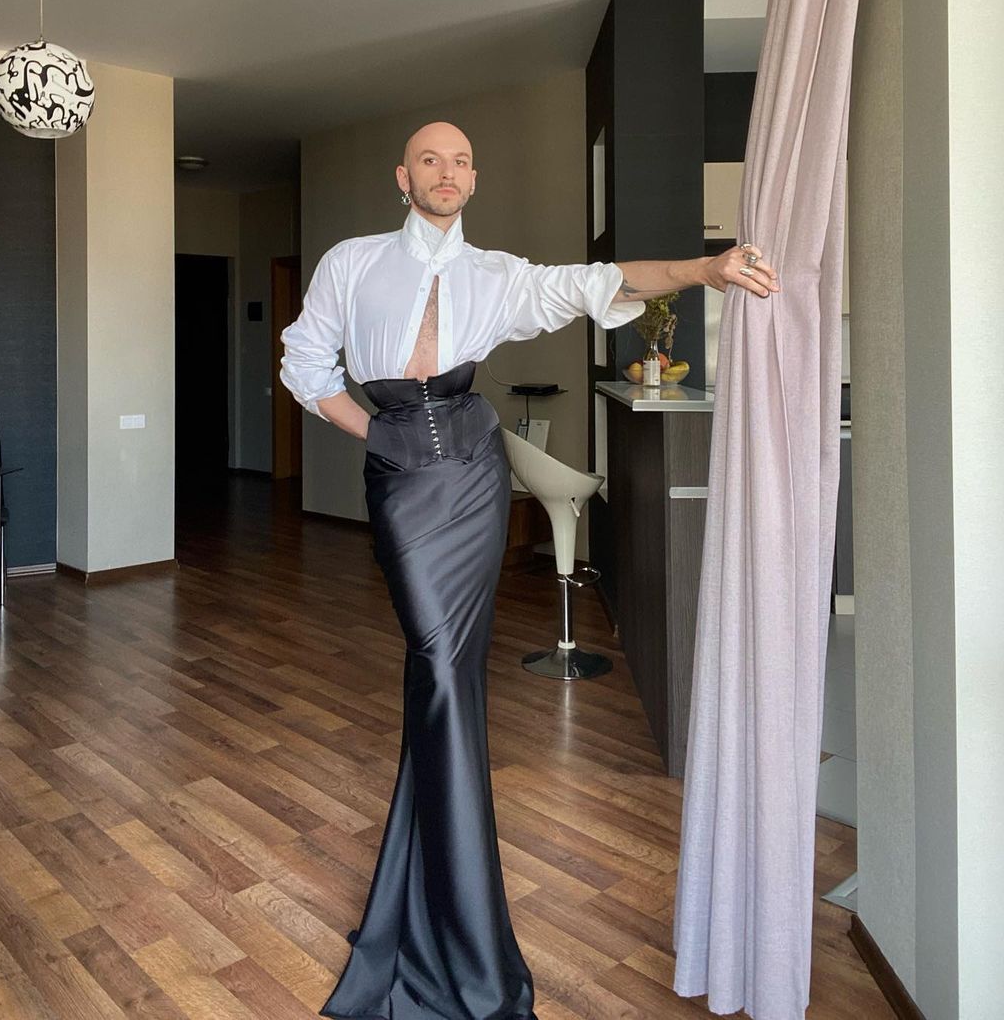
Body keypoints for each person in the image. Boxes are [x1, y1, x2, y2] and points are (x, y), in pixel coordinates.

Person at [279, 121, 778, 1020]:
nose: (447, 171)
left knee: (449, 673)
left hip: (474, 470)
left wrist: (705, 269)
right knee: (435, 665)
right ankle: (448, 908)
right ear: (403, 177)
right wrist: (376, 434)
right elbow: (304, 364)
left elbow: (602, 282)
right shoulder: (351, 262)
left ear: (474, 179)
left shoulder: (499, 275)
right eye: (430, 159)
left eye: (462, 159)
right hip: (402, 481)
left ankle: (437, 902)